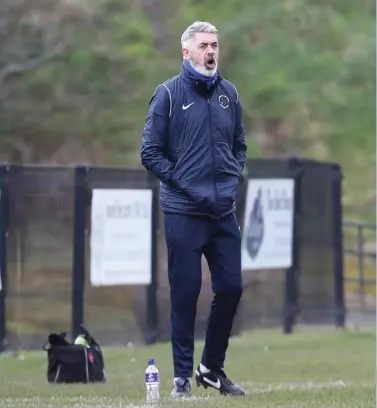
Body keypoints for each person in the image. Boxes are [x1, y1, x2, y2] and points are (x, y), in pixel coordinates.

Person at [141, 21, 247, 398]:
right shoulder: (167, 94)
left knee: (232, 287)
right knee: (185, 294)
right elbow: (149, 153)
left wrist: (232, 176)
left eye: (215, 44)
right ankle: (182, 378)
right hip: (183, 212)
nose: (211, 51)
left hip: (222, 212)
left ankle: (210, 368)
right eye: (203, 45)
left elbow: (239, 145)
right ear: (186, 52)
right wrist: (185, 183)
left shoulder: (229, 94)